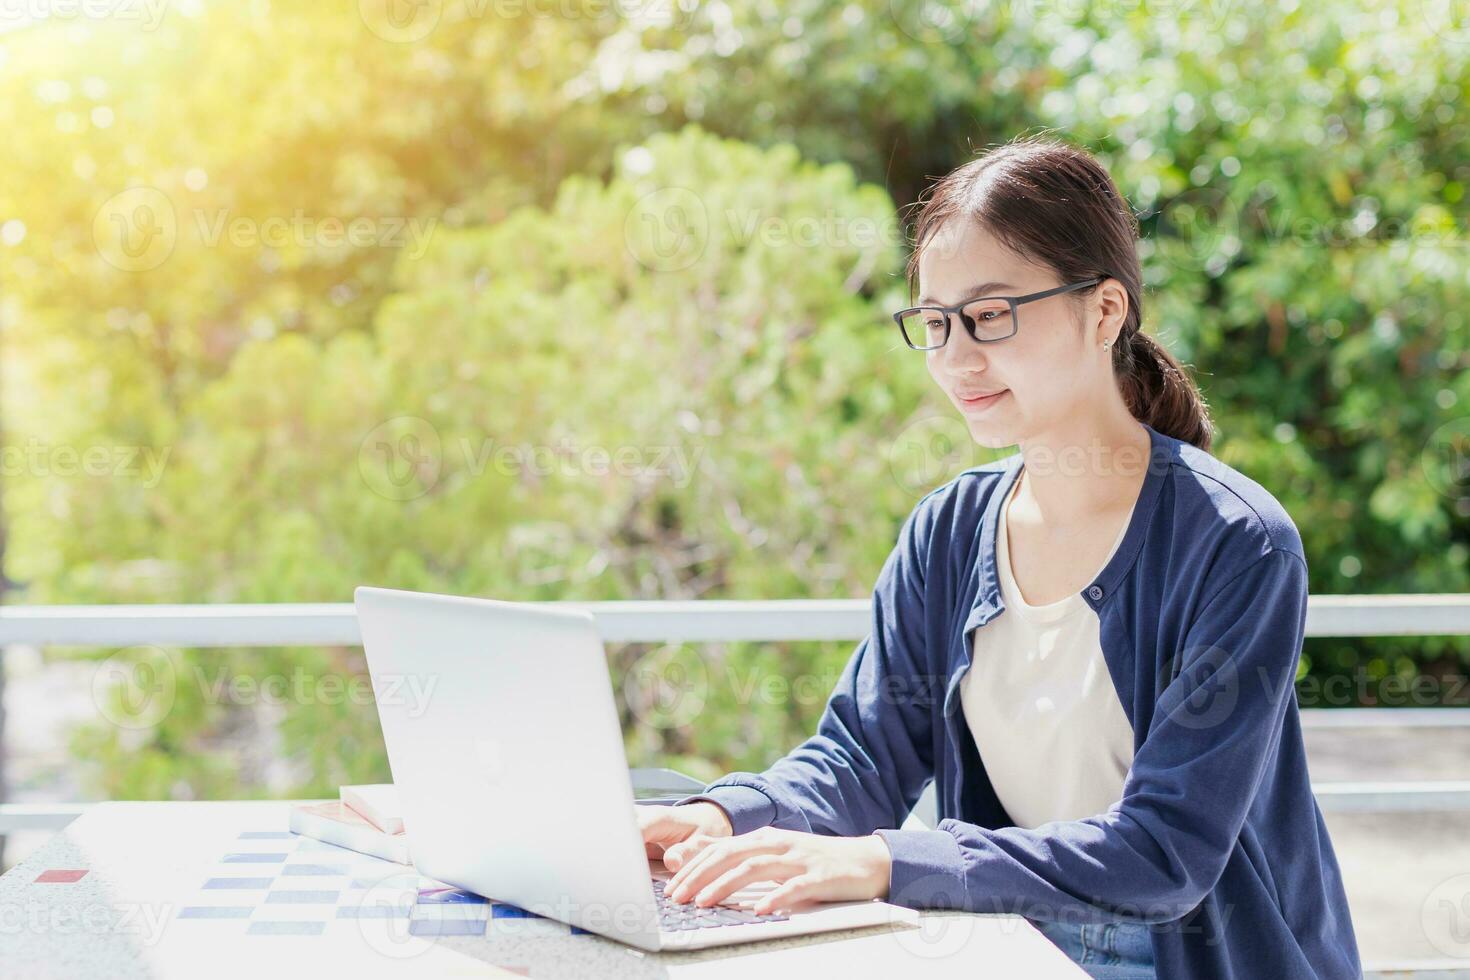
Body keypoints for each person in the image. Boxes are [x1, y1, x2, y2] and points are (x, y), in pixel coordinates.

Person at [636, 134, 1362, 979]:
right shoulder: (947, 531)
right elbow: (863, 758)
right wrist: (724, 815)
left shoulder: (1236, 544)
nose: (955, 358)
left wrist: (885, 861)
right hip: (1017, 946)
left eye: (989, 316)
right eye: (935, 323)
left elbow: (1166, 853)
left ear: (1104, 312)